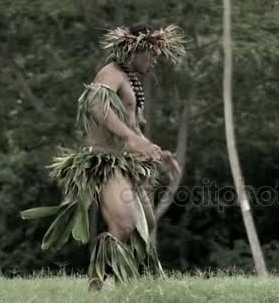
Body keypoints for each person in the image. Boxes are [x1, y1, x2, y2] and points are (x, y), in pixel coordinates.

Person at [22, 24, 185, 291]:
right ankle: (97, 286)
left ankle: (123, 281)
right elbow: (95, 104)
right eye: (152, 54)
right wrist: (132, 139)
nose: (155, 60)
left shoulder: (130, 80)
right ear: (136, 49)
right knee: (123, 223)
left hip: (124, 163)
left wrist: (156, 151)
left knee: (147, 222)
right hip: (103, 160)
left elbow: (131, 129)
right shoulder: (110, 73)